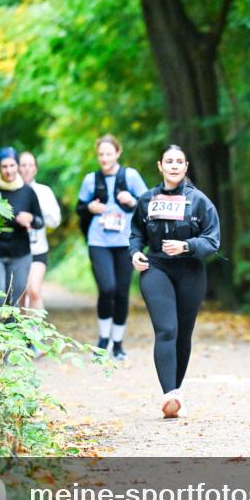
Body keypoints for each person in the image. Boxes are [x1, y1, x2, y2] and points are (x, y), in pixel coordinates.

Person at [129, 144, 220, 419]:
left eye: (179, 161)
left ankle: (176, 392)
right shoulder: (146, 200)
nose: (174, 166)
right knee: (166, 329)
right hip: (156, 269)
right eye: (169, 161)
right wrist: (134, 253)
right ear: (160, 166)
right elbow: (136, 233)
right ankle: (169, 393)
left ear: (186, 166)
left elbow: (212, 241)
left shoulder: (200, 201)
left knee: (183, 333)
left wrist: (186, 246)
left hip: (190, 271)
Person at [76, 134, 148, 359]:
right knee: (106, 289)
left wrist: (132, 201)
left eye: (108, 153)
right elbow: (79, 208)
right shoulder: (91, 180)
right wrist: (90, 208)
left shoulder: (131, 176)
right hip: (98, 242)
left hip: (125, 243)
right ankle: (102, 339)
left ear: (118, 153)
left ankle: (117, 344)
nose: (104, 158)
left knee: (121, 292)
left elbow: (147, 206)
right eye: (101, 154)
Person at [0, 147, 44, 308]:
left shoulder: (27, 191)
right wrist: (14, 218)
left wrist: (30, 218)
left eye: (12, 166)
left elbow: (39, 221)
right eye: (4, 166)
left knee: (14, 300)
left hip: (20, 253)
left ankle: (11, 332)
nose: (9, 171)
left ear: (17, 166)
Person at [18, 151, 62, 311]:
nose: (27, 169)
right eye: (23, 165)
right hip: (16, 250)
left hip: (38, 249)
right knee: (20, 294)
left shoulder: (44, 192)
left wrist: (39, 209)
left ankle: (37, 333)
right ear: (17, 167)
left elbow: (55, 221)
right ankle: (22, 334)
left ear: (36, 169)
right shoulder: (10, 191)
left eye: (31, 165)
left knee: (34, 291)